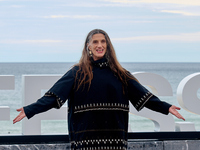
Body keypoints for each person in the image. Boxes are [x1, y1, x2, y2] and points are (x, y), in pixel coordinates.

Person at [13, 29, 185, 150]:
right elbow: (53, 97)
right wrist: (29, 110)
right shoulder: (76, 73)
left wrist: (166, 107)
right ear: (88, 46)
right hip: (85, 142)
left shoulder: (121, 74)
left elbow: (144, 97)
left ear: (108, 46)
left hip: (114, 141)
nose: (99, 45)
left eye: (103, 42)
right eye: (95, 42)